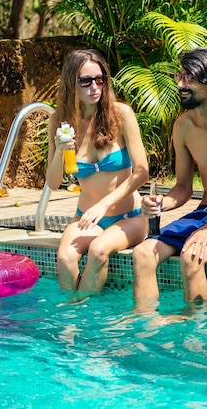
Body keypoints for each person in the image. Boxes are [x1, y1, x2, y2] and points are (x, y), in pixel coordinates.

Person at [131, 47, 207, 313]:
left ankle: (194, 329)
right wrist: (161, 203)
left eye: (188, 78)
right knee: (143, 254)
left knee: (192, 256)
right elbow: (183, 187)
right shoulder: (183, 125)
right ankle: (144, 328)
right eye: (179, 76)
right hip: (205, 211)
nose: (180, 84)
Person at [46, 49, 149, 303]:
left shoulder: (121, 114)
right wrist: (60, 151)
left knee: (99, 250)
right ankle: (74, 319)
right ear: (72, 83)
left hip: (129, 217)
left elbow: (142, 172)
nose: (95, 86)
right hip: (85, 219)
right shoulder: (59, 121)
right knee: (65, 257)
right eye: (86, 81)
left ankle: (84, 319)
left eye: (100, 79)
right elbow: (53, 182)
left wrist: (104, 204)